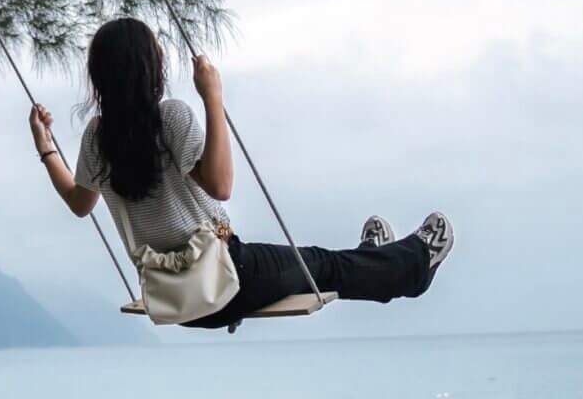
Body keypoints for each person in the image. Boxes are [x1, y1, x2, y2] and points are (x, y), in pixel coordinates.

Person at [29, 16, 453, 327]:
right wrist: (213, 96)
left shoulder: (96, 137)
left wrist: (45, 146)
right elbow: (221, 185)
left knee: (322, 267)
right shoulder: (171, 118)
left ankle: (374, 258)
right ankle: (416, 263)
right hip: (227, 278)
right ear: (150, 68)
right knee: (321, 266)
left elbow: (78, 203)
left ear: (100, 79)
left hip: (178, 303)